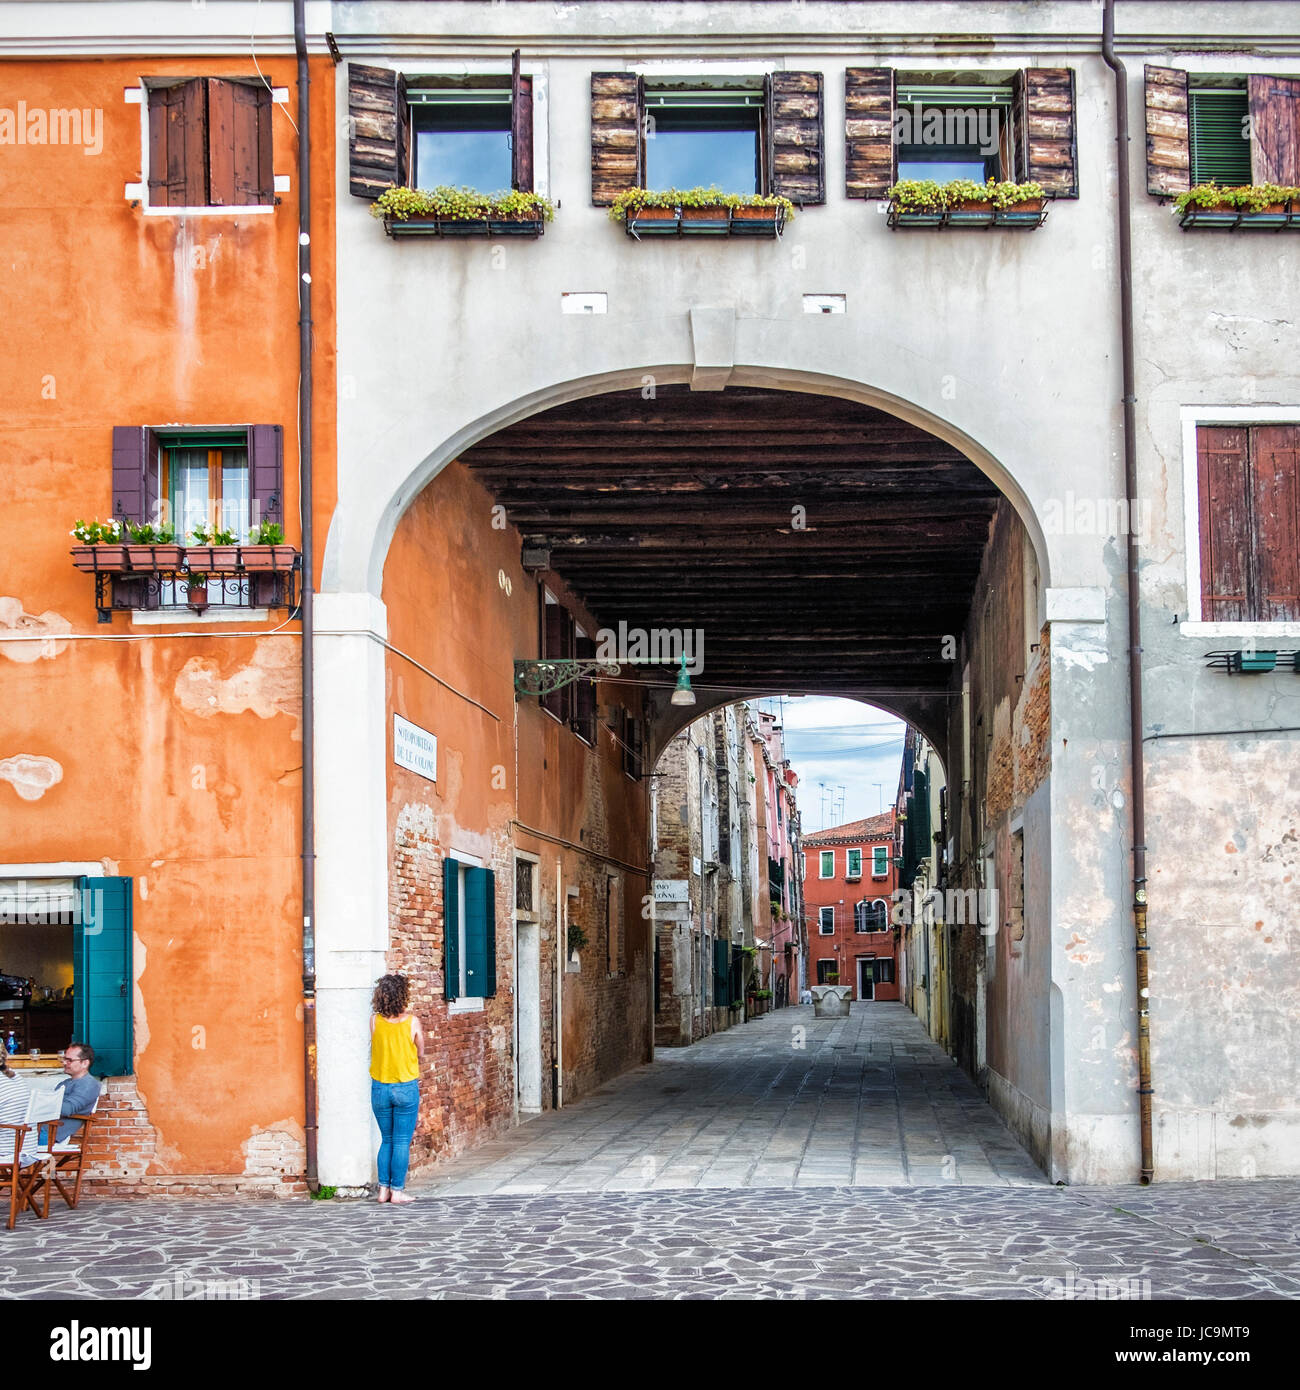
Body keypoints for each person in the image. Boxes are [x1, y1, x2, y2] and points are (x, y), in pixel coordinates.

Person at [369, 974, 424, 1205]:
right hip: (405, 1086)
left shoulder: (374, 1020)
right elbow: (421, 1050)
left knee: (387, 1140)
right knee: (402, 1141)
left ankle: (383, 1190)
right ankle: (398, 1191)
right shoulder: (412, 1022)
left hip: (380, 1086)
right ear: (403, 996)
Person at [56, 1042, 101, 1143]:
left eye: (69, 1060)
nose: (64, 1063)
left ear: (85, 1063)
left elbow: (67, 1109)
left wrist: (39, 1103)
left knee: (14, 1138)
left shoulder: (89, 1084)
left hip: (51, 1133)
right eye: (64, 1059)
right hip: (40, 1129)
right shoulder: (64, 1083)